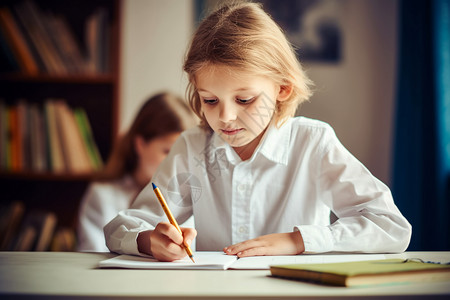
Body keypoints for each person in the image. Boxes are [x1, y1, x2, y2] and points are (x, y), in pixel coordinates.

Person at [104, 2, 411, 261]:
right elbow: (120, 227)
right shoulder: (192, 148)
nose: (225, 117)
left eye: (244, 99)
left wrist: (298, 241)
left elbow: (391, 227)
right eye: (210, 100)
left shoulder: (312, 143)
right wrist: (150, 241)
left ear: (283, 88)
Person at [77, 92, 197, 252]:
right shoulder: (102, 195)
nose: (175, 162)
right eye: (167, 151)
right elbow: (92, 255)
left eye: (181, 155)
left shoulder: (190, 198)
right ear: (140, 144)